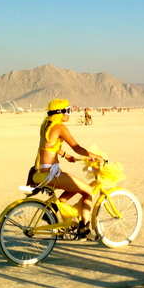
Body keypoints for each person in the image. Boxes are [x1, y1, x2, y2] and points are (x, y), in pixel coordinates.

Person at [33, 99, 103, 238]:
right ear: (60, 112)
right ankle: (84, 228)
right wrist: (95, 156)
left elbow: (49, 146)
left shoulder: (47, 125)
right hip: (51, 174)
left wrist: (66, 155)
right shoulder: (59, 127)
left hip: (41, 171)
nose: (70, 113)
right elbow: (77, 147)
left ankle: (54, 212)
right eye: (68, 110)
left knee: (72, 189)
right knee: (88, 191)